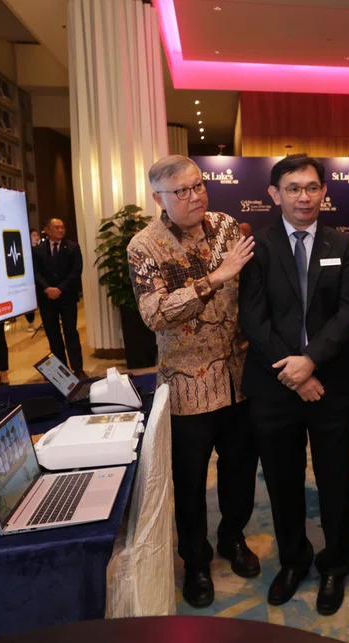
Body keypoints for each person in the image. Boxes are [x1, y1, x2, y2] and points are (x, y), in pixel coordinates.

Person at [128, 155, 260, 609]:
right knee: (188, 481)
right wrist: (214, 278)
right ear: (159, 198)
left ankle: (232, 537)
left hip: (239, 377)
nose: (194, 196)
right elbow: (154, 314)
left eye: (198, 185)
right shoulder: (144, 246)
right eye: (181, 191)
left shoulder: (226, 226)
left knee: (241, 468)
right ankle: (196, 561)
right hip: (187, 386)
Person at [239, 154, 349, 616]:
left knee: (336, 481)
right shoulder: (258, 247)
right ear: (275, 195)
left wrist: (309, 362)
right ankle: (293, 559)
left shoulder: (342, 245)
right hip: (274, 387)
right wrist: (291, 372)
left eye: (312, 187)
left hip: (329, 383)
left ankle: (335, 563)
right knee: (283, 481)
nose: (304, 196)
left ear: (324, 192)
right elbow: (253, 317)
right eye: (293, 188)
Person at [32, 218, 84, 375]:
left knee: (71, 333)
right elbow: (35, 272)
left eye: (62, 227)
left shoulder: (73, 247)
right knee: (53, 334)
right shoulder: (37, 249)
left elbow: (76, 271)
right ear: (47, 230)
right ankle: (62, 371)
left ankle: (77, 368)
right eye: (56, 227)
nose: (61, 230)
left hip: (67, 296)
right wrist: (47, 288)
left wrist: (60, 288)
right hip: (46, 298)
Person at [25, 229, 41, 332]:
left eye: (37, 235)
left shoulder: (41, 249)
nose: (36, 237)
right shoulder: (25, 250)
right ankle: (30, 322)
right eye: (33, 235)